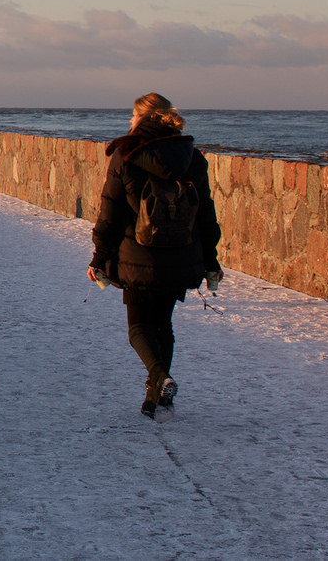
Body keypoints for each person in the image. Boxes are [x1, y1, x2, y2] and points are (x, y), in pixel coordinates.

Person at [88, 92, 222, 419]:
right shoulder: (192, 156)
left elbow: (110, 213)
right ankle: (157, 398)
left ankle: (160, 378)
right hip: (181, 256)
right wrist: (210, 260)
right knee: (163, 325)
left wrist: (99, 256)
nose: (129, 122)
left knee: (138, 328)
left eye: (133, 116)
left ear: (144, 118)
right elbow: (205, 213)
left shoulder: (126, 154)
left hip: (139, 257)